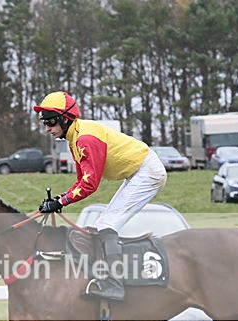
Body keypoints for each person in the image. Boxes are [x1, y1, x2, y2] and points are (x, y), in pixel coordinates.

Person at [34, 91, 167, 301]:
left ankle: (115, 285)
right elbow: (81, 180)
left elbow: (89, 185)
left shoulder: (84, 139)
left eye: (50, 122)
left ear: (64, 118)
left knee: (108, 224)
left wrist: (61, 202)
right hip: (137, 172)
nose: (47, 128)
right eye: (44, 123)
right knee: (103, 222)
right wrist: (59, 199)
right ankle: (105, 276)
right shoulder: (74, 138)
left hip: (147, 172)